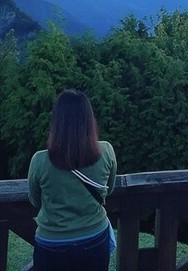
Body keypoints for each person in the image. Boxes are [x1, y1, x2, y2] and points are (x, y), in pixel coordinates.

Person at [27, 89, 117, 271]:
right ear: (89, 121)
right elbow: (109, 189)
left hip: (52, 243)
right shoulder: (106, 151)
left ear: (57, 123)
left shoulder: (39, 161)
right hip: (94, 237)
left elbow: (35, 201)